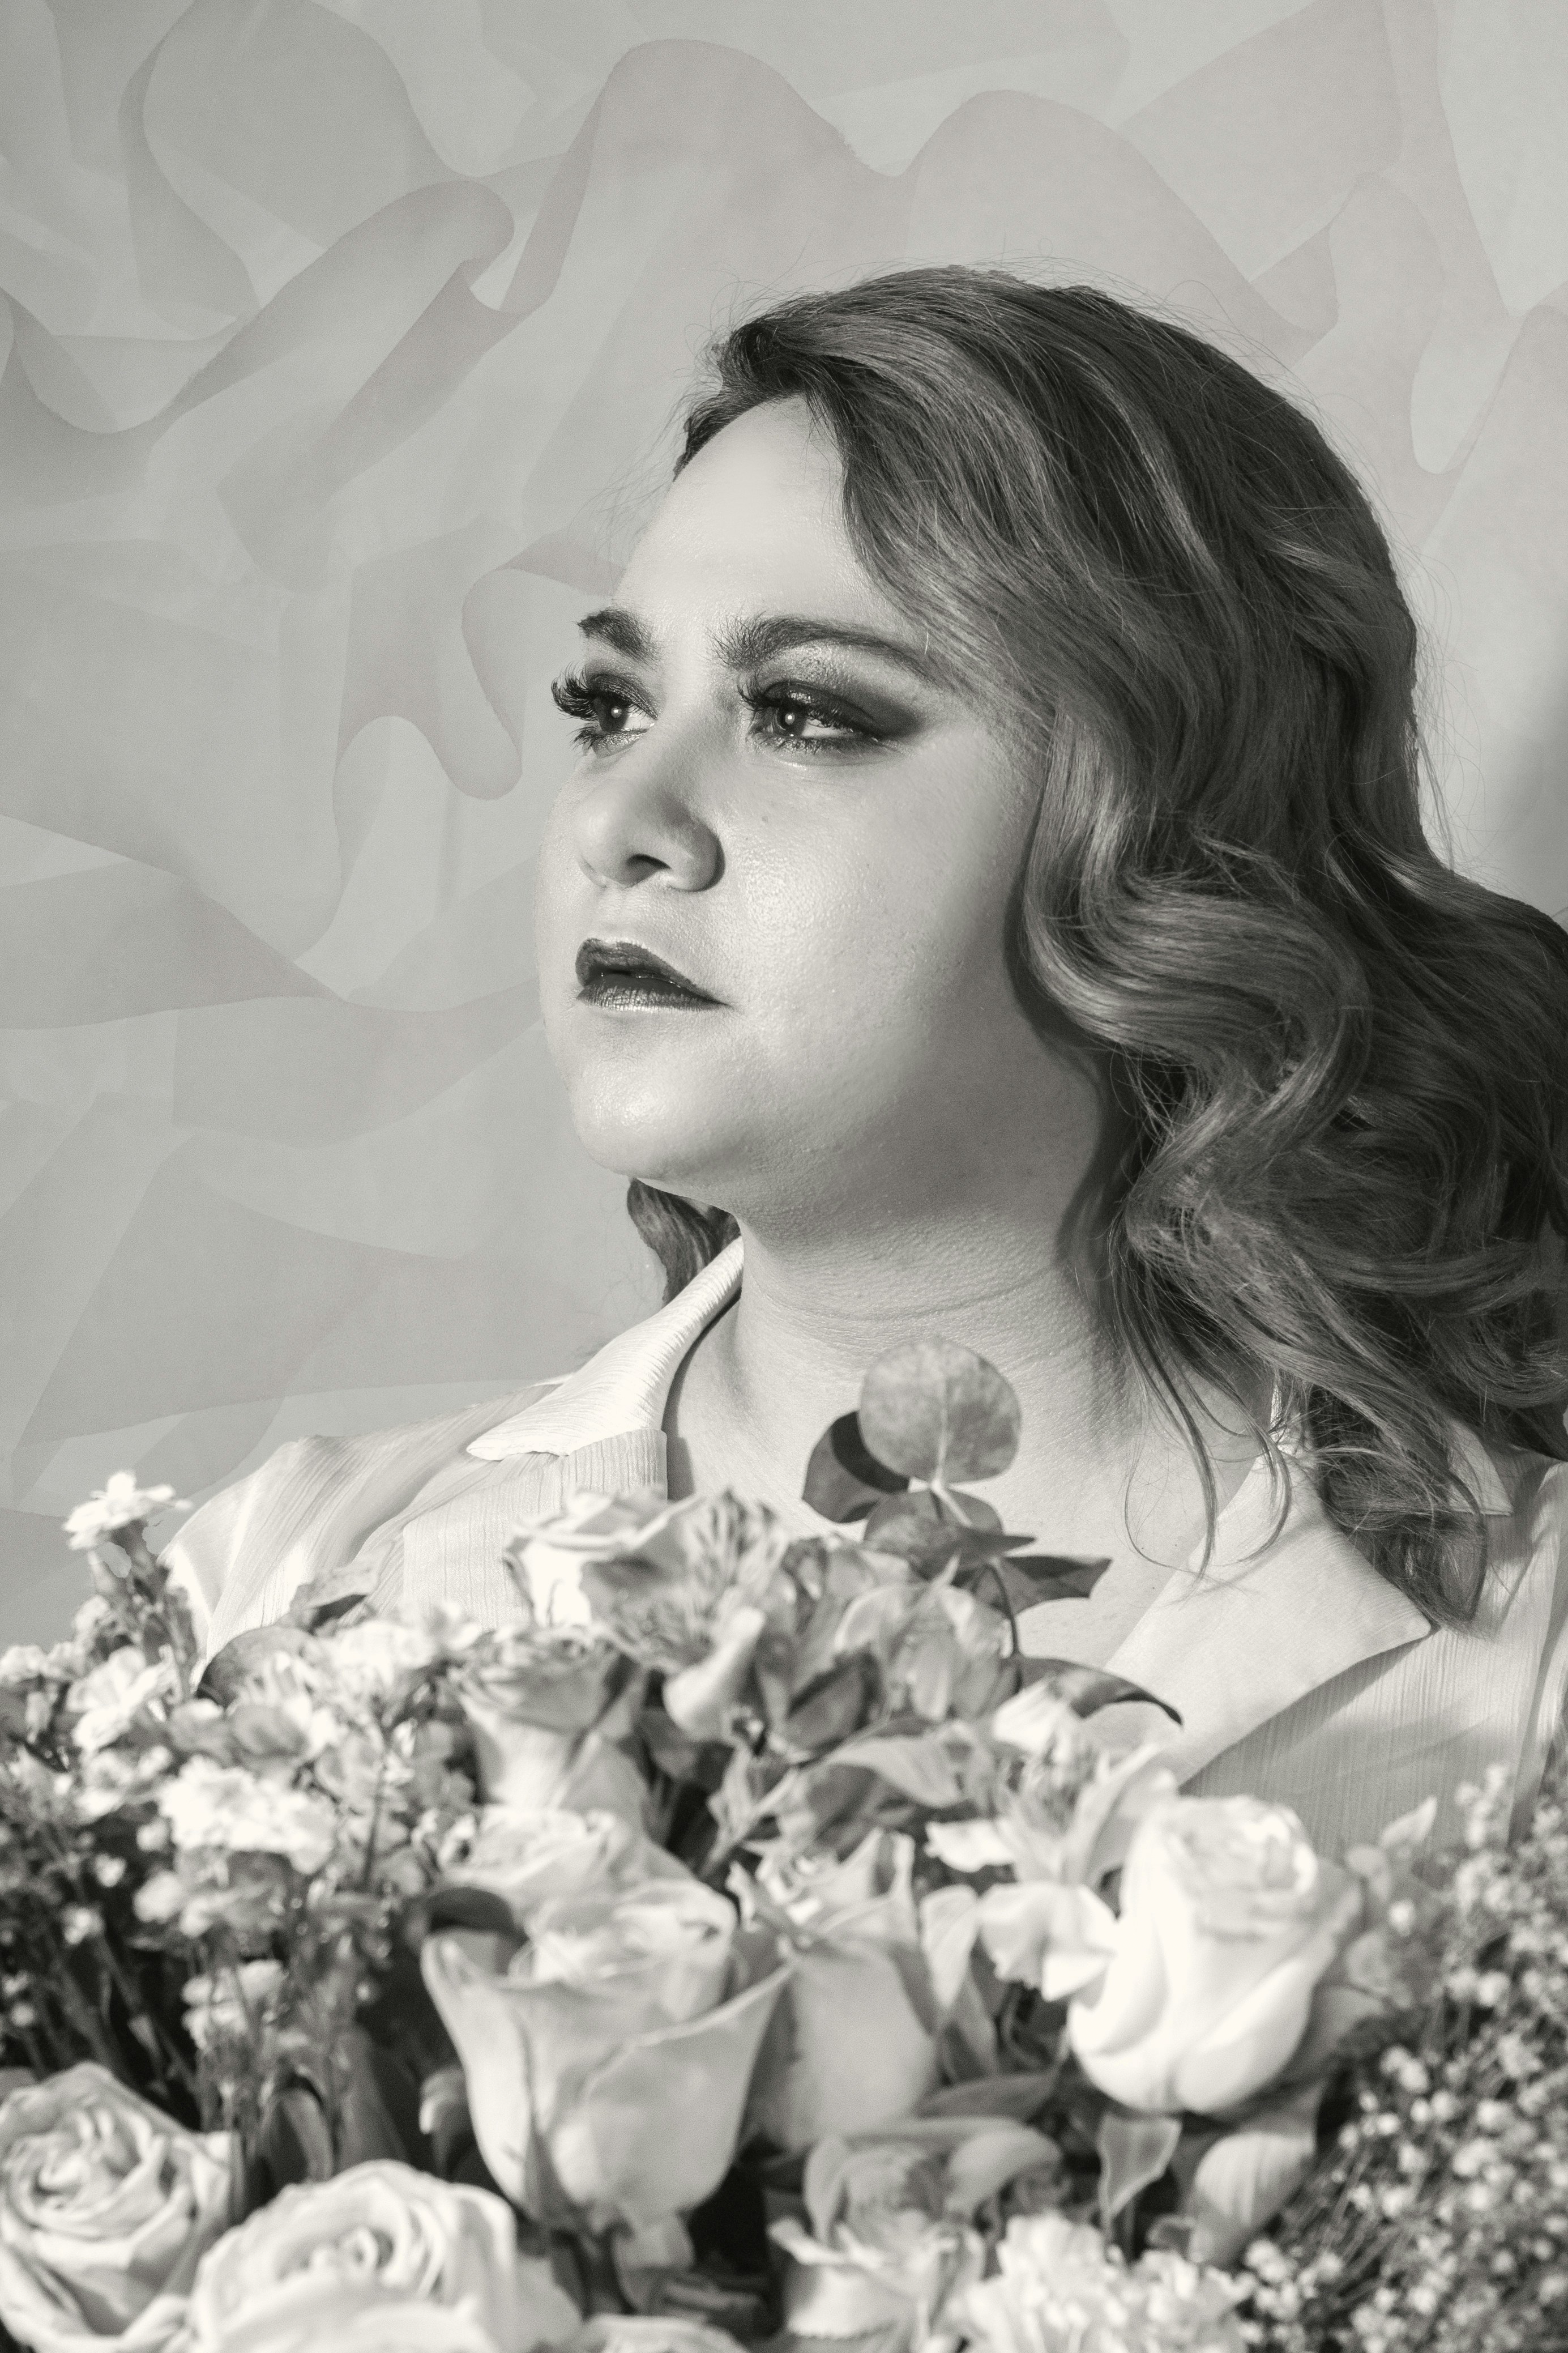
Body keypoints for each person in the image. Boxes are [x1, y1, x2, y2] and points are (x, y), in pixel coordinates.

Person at [168, 267, 1568, 1857]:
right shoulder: (274, 1597)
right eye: (609, 703)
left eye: (806, 713)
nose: (619, 821)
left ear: (1174, 837)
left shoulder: (1526, 1662)